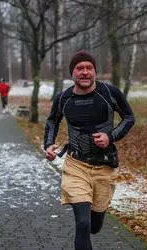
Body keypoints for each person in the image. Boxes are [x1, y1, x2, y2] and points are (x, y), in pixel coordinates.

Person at [44, 51, 135, 250]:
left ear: (94, 71)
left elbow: (129, 117)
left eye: (89, 68)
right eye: (79, 68)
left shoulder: (109, 93)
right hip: (76, 165)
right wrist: (48, 145)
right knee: (82, 224)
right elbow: (52, 120)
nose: (85, 72)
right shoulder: (63, 98)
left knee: (94, 226)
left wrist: (110, 137)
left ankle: (97, 217)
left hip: (104, 166)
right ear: (72, 73)